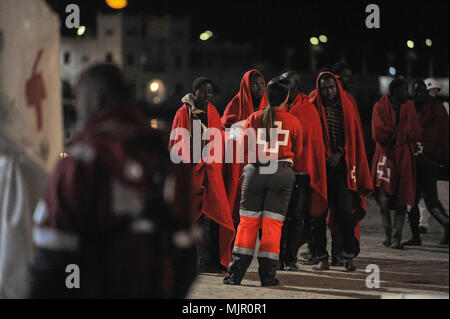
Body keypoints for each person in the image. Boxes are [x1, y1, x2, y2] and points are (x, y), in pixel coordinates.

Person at [29, 64, 197, 298]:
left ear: (95, 100)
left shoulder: (81, 160)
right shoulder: (168, 157)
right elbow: (186, 251)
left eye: (78, 97)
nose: (76, 106)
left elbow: (52, 258)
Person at [223, 76, 303, 286]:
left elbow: (241, 149)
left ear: (267, 95)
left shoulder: (254, 117)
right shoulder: (293, 121)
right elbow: (299, 151)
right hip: (282, 173)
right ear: (287, 96)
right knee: (272, 227)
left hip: (255, 172)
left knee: (247, 225)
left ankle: (235, 275)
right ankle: (268, 278)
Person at [169, 77, 235, 273]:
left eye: (210, 91)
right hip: (193, 174)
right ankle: (201, 264)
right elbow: (178, 145)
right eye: (204, 91)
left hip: (212, 174)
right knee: (197, 218)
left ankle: (213, 261)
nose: (208, 95)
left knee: (215, 218)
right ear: (194, 92)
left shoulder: (212, 111)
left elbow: (218, 142)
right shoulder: (183, 113)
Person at [309, 71, 373, 271]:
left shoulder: (347, 108)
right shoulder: (313, 108)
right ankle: (321, 256)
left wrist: (340, 153)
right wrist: (322, 157)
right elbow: (310, 136)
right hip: (320, 169)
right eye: (324, 88)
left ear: (337, 87)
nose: (328, 92)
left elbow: (353, 138)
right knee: (317, 214)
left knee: (345, 213)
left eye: (331, 87)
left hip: (342, 169)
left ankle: (347, 255)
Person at [278, 71, 327, 271]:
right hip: (277, 171)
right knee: (276, 217)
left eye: (287, 84)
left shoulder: (307, 109)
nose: (283, 88)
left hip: (299, 173)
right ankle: (277, 256)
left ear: (296, 86)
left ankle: (290, 258)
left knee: (296, 217)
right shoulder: (274, 106)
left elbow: (312, 143)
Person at [371, 78, 422, 249]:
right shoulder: (379, 107)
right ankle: (387, 234)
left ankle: (396, 238)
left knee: (402, 197)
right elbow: (378, 131)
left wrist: (399, 134)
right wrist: (398, 134)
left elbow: (415, 130)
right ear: (395, 92)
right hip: (386, 155)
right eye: (404, 90)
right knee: (383, 198)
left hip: (404, 156)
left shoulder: (409, 107)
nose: (407, 94)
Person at [403, 80, 449, 246]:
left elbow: (442, 134)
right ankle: (416, 235)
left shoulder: (437, 108)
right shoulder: (410, 108)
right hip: (414, 162)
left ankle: (447, 224)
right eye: (415, 92)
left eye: (421, 92)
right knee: (412, 200)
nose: (418, 95)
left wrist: (442, 157)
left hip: (429, 162)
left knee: (430, 200)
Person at [221, 70, 268, 228]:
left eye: (261, 84)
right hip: (240, 161)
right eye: (255, 85)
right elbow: (227, 129)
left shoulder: (269, 105)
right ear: (247, 86)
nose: (259, 88)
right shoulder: (235, 103)